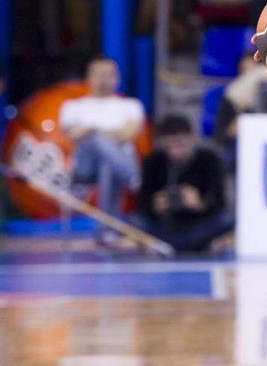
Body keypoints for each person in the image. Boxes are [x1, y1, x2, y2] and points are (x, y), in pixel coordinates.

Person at [60, 57, 146, 246]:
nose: (103, 80)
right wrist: (101, 134)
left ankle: (107, 232)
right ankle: (133, 178)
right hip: (85, 167)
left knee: (107, 165)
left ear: (117, 78)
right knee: (96, 142)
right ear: (89, 77)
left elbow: (127, 134)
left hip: (116, 165)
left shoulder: (130, 105)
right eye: (99, 75)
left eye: (108, 75)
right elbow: (73, 135)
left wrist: (90, 129)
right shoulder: (73, 106)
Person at [133, 114, 234, 253]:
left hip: (201, 227)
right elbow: (142, 203)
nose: (175, 151)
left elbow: (220, 202)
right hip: (164, 228)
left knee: (229, 217)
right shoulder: (154, 161)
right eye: (169, 146)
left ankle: (203, 243)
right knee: (134, 220)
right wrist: (154, 206)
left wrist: (200, 203)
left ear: (193, 138)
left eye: (180, 144)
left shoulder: (209, 159)